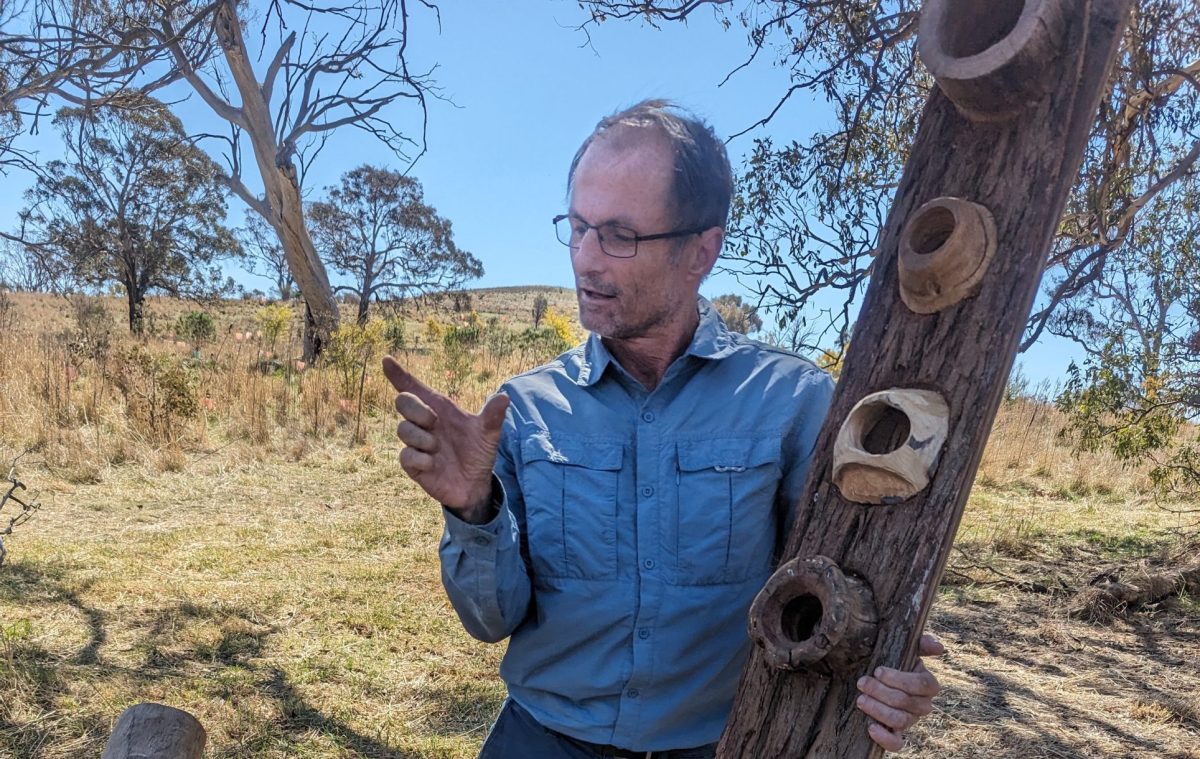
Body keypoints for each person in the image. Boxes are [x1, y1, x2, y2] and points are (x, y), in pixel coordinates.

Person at [384, 100, 942, 758]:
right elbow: (489, 619)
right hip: (540, 739)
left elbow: (846, 589)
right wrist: (472, 507)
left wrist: (890, 663)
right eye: (578, 227)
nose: (587, 260)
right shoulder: (525, 410)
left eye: (619, 235)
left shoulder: (793, 404)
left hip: (720, 744)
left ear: (700, 250)